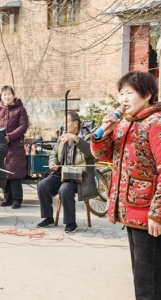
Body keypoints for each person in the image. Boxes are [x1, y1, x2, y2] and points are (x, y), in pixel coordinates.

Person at [90, 70, 161, 299]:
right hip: (130, 210)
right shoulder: (124, 123)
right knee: (142, 276)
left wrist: (157, 213)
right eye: (121, 94)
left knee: (148, 282)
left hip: (148, 214)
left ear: (148, 94)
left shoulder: (155, 123)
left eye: (129, 93)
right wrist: (102, 135)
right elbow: (106, 156)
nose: (123, 99)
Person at [36, 111, 97, 232]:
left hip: (78, 175)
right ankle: (48, 217)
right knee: (42, 185)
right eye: (63, 122)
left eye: (66, 122)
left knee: (65, 189)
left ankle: (71, 222)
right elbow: (54, 153)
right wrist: (53, 163)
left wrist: (76, 139)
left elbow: (91, 152)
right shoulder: (62, 137)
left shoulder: (87, 136)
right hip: (61, 173)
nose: (63, 125)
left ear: (75, 123)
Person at [0, 85, 28, 209]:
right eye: (4, 94)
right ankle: (8, 198)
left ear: (13, 95)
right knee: (4, 172)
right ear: (1, 96)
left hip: (15, 145)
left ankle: (17, 199)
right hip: (0, 146)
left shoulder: (20, 109)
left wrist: (9, 137)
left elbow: (23, 126)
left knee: (14, 172)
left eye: (9, 94)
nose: (7, 97)